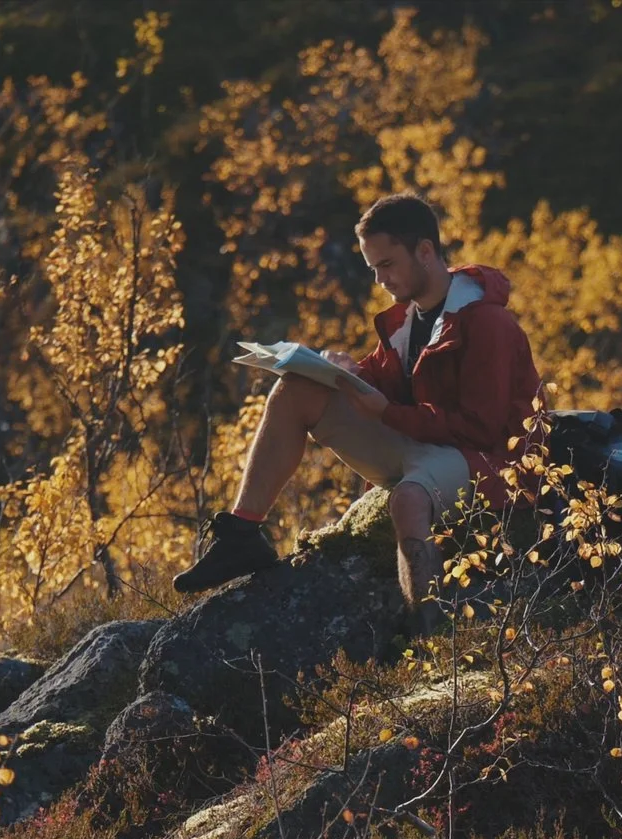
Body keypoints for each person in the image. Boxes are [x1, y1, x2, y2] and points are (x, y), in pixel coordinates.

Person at [172, 192, 543, 620]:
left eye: (386, 265)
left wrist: (386, 412)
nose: (379, 281)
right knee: (297, 389)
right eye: (373, 269)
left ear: (425, 251)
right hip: (429, 442)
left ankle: (430, 632)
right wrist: (345, 372)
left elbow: (484, 428)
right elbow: (389, 381)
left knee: (406, 501)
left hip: (496, 462)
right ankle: (242, 533)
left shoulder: (487, 323)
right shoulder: (410, 319)